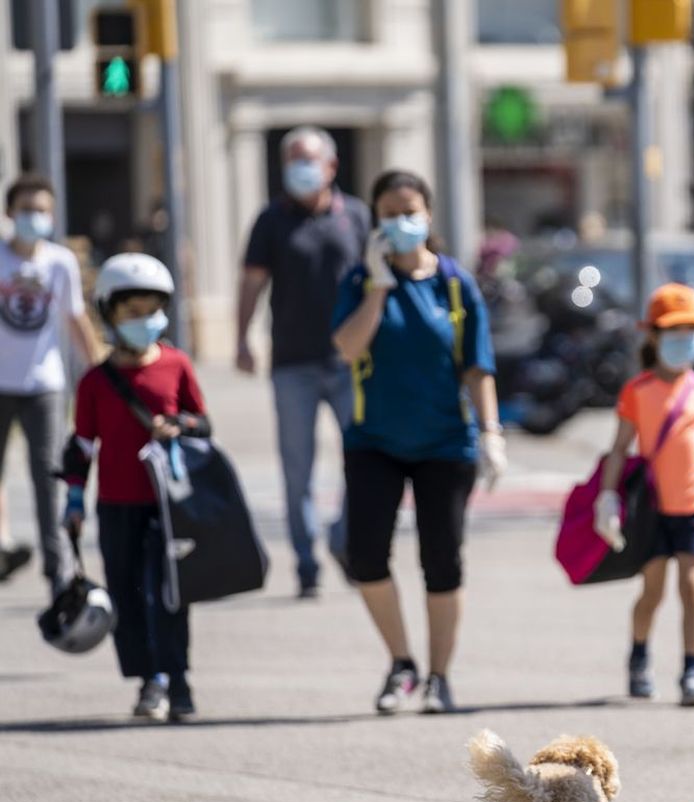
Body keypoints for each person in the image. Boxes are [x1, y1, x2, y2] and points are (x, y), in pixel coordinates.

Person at [331, 169, 506, 715]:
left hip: (445, 444)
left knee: (442, 562)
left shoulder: (456, 284)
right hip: (373, 441)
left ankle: (439, 676)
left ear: (428, 214)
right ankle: (401, 662)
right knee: (364, 556)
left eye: (410, 210)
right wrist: (380, 285)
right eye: (389, 214)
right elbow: (346, 347)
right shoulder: (360, 281)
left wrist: (492, 435)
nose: (401, 222)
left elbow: (478, 368)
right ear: (375, 222)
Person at [60, 253, 209, 722]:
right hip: (116, 505)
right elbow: (81, 446)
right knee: (126, 594)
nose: (145, 320)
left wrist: (180, 424)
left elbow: (203, 423)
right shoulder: (94, 382)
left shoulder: (176, 365)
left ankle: (176, 681)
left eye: (152, 309)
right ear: (109, 314)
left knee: (167, 595)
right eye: (133, 311)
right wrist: (75, 498)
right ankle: (147, 681)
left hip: (166, 506)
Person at [238, 126, 371, 599]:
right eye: (292, 159)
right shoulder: (271, 220)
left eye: (309, 159)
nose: (300, 168)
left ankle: (342, 538)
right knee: (297, 471)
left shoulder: (355, 216)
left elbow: (376, 284)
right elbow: (252, 282)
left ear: (331, 166)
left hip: (348, 362)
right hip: (292, 362)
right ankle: (306, 562)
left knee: (363, 459)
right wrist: (242, 338)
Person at [595, 284, 694, 706]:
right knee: (652, 589)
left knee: (692, 585)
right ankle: (638, 656)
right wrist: (607, 498)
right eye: (673, 330)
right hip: (652, 509)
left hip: (693, 508)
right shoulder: (637, 391)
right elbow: (619, 449)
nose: (683, 338)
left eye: (691, 329)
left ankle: (693, 670)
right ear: (652, 335)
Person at [0, 173, 96, 599]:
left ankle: (56, 570)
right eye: (26, 209)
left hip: (44, 384)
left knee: (47, 477)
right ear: (9, 213)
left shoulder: (60, 262)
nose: (33, 217)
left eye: (41, 210)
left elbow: (76, 319)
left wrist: (101, 372)